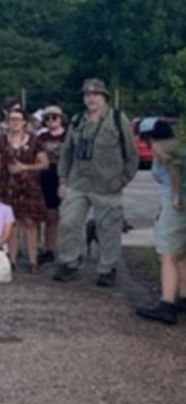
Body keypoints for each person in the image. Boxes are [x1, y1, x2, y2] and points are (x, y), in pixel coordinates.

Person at [54, 79, 137, 287]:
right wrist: (63, 179)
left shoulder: (118, 119)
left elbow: (132, 154)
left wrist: (124, 179)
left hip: (108, 183)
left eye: (96, 94)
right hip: (78, 181)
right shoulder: (76, 120)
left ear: (104, 97)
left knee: (108, 228)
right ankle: (69, 262)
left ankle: (107, 268)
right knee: (68, 222)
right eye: (87, 94)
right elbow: (66, 153)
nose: (91, 98)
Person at [134, 119, 185, 325]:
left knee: (167, 254)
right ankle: (182, 296)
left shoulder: (163, 147)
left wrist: (176, 195)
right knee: (181, 253)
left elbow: (175, 166)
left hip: (174, 206)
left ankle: (167, 305)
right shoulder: (179, 145)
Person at [0, 107, 49, 273]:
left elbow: (44, 164)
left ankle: (33, 261)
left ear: (25, 122)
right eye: (12, 119)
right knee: (11, 224)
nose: (15, 122)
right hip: (8, 187)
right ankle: (11, 260)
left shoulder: (35, 141)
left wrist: (24, 168)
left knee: (30, 223)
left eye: (18, 119)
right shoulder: (2, 141)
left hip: (29, 187)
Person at [35, 105, 67, 266]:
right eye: (47, 118)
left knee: (67, 216)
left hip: (65, 176)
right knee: (48, 215)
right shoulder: (41, 138)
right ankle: (46, 248)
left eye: (54, 117)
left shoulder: (69, 136)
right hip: (45, 176)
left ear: (61, 118)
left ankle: (64, 249)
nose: (50, 121)